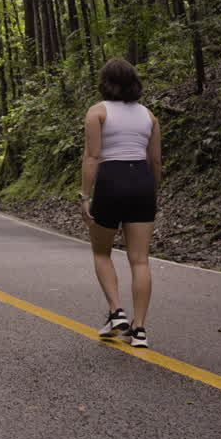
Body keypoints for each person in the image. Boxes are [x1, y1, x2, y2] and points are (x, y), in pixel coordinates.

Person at [80, 57, 162, 348]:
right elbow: (155, 160)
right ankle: (139, 329)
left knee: (102, 253)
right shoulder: (149, 116)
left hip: (111, 180)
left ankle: (117, 312)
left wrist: (85, 196)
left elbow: (92, 157)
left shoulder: (97, 112)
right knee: (139, 259)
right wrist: (153, 192)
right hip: (141, 179)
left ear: (105, 82)